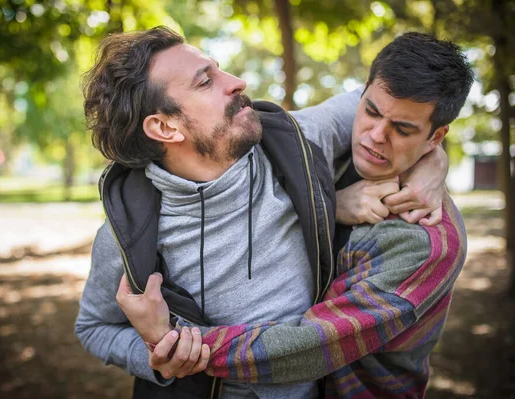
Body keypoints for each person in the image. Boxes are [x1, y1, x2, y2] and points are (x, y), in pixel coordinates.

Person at [75, 27, 448, 399]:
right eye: (206, 81)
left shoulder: (297, 141)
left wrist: (432, 161)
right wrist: (158, 354)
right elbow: (93, 327)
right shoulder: (128, 238)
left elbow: (393, 100)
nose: (237, 82)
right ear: (164, 126)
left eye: (219, 69)